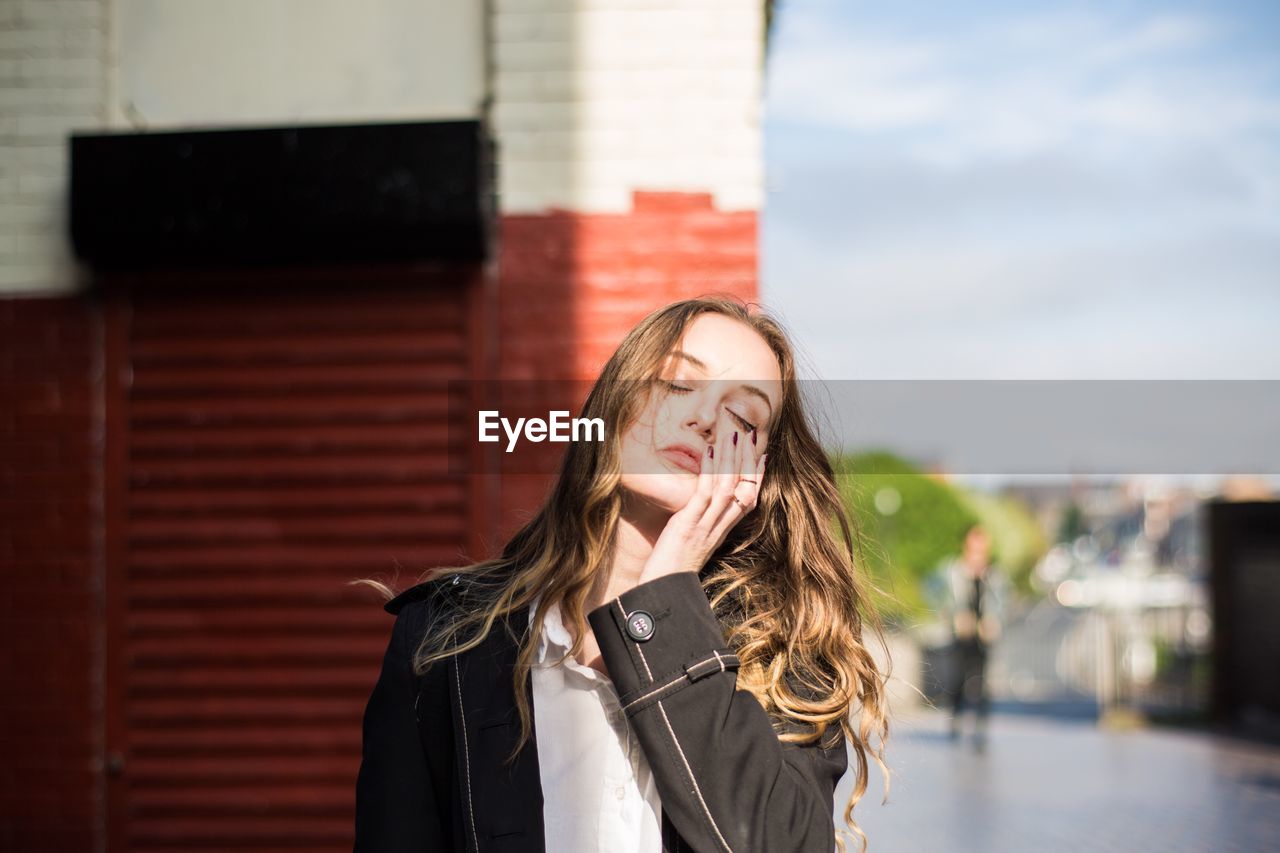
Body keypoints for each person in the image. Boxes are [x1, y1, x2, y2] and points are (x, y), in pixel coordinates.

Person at [352, 297, 890, 853]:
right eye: (678, 385)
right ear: (614, 401)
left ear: (756, 469)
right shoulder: (444, 639)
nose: (705, 419)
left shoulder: (787, 649)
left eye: (744, 418)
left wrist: (664, 603)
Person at [936, 524, 1007, 752]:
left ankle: (980, 725)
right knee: (958, 678)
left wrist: (994, 620)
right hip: (961, 634)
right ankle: (956, 719)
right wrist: (956, 617)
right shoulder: (954, 572)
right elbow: (940, 597)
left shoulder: (993, 576)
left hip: (983, 635)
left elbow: (1002, 603)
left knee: (982, 680)